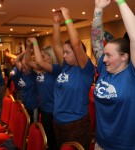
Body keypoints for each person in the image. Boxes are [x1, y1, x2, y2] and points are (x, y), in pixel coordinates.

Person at [91, 0, 135, 149]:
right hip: (100, 143)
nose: (104, 59)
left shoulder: (131, 75)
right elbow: (96, 41)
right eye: (104, 55)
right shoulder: (104, 68)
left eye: (109, 55)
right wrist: (98, 9)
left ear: (124, 57)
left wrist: (121, 2)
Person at [53, 7, 95, 150]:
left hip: (76, 123)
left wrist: (67, 17)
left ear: (78, 53)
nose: (63, 55)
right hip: (58, 121)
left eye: (67, 52)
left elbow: (76, 45)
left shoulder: (86, 70)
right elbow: (56, 46)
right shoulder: (66, 66)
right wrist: (56, 24)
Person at [25, 38, 61, 150]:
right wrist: (28, 47)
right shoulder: (41, 70)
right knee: (48, 140)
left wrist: (35, 43)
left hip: (54, 112)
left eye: (43, 56)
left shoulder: (56, 70)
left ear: (51, 58)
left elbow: (39, 62)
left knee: (54, 142)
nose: (39, 58)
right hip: (44, 110)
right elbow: (27, 61)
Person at [11, 51, 39, 123]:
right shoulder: (22, 73)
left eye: (25, 64)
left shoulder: (32, 74)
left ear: (30, 65)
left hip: (32, 106)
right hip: (24, 105)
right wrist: (25, 52)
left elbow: (22, 62)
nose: (22, 67)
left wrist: (27, 52)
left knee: (32, 127)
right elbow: (17, 60)